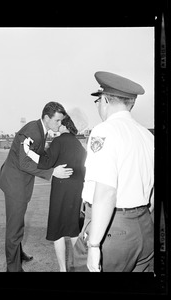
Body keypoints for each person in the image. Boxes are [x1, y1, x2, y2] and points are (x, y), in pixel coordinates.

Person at [70, 71, 154, 272]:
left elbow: (106, 191)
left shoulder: (104, 130)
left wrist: (94, 245)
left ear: (105, 100)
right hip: (144, 228)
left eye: (97, 100)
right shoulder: (147, 136)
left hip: (112, 231)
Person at [0, 101, 74, 272]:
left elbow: (36, 155)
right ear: (47, 118)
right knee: (14, 226)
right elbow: (25, 163)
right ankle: (13, 267)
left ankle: (18, 253)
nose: (60, 124)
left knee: (18, 222)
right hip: (15, 184)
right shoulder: (33, 131)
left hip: (19, 182)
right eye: (57, 121)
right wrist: (52, 173)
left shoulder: (41, 129)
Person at [23, 114, 86, 271]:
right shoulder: (79, 144)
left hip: (61, 189)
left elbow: (45, 163)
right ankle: (82, 266)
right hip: (77, 190)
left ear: (65, 126)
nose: (57, 125)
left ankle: (63, 269)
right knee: (74, 230)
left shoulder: (58, 141)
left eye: (60, 123)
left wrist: (28, 151)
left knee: (57, 230)